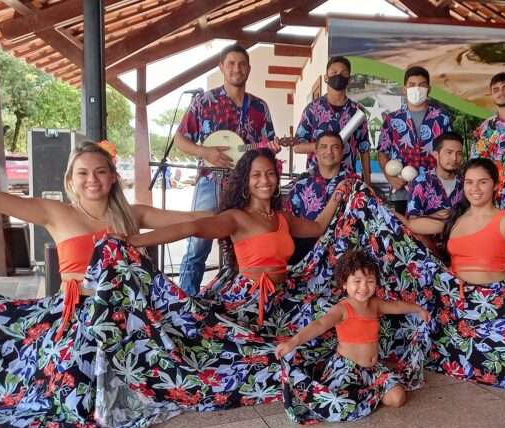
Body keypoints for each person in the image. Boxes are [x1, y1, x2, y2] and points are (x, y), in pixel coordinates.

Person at [0, 141, 213, 428]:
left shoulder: (132, 214)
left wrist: (237, 209)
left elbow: (195, 221)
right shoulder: (54, 212)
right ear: (71, 179)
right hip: (75, 319)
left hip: (124, 319)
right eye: (82, 173)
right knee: (71, 400)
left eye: (100, 171)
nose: (92, 179)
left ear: (112, 177)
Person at [119, 149, 346, 326]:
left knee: (330, 315)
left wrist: (338, 195)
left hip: (280, 298)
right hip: (247, 300)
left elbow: (317, 227)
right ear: (245, 182)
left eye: (269, 174)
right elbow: (191, 228)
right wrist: (132, 242)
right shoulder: (236, 218)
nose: (264, 180)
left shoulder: (282, 218)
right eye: (255, 175)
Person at [275, 248, 430, 422]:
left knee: (397, 398)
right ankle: (364, 396)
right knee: (343, 404)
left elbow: (396, 307)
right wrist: (292, 343)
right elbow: (319, 324)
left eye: (369, 281)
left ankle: (369, 394)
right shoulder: (342, 309)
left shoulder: (375, 304)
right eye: (357, 281)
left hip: (372, 369)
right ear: (344, 283)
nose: (363, 287)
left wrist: (418, 309)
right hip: (347, 369)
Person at [174, 43, 281, 295]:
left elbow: (267, 144)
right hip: (210, 182)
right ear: (221, 67)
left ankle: (235, 299)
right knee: (198, 242)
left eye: (242, 64)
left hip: (247, 187)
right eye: (231, 64)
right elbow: (180, 140)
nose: (237, 69)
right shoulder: (204, 101)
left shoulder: (259, 107)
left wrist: (273, 148)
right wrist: (205, 152)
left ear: (249, 69)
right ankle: (186, 302)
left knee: (243, 244)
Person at [378, 66, 454, 214]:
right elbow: (382, 152)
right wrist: (390, 178)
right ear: (404, 89)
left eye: (422, 85)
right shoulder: (393, 119)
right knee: (406, 234)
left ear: (429, 89)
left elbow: (451, 151)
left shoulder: (442, 117)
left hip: (435, 188)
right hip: (402, 191)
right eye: (412, 85)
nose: (417, 89)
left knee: (434, 232)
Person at [293, 56, 372, 185]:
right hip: (316, 180)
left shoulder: (356, 112)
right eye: (334, 73)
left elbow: (364, 148)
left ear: (349, 79)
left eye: (343, 73)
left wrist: (368, 181)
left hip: (347, 181)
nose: (338, 76)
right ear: (326, 77)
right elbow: (297, 147)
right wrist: (325, 147)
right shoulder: (312, 110)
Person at [285, 130, 360, 264]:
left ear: (342, 152)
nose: (329, 152)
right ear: (316, 152)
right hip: (305, 257)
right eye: (323, 147)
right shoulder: (301, 186)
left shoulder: (355, 185)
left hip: (342, 256)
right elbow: (288, 224)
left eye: (335, 147)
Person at [405, 131, 464, 256]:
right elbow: (415, 227)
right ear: (436, 154)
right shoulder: (421, 183)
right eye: (449, 152)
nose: (454, 158)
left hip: (461, 253)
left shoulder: (466, 184)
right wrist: (437, 259)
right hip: (428, 256)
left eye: (459, 153)